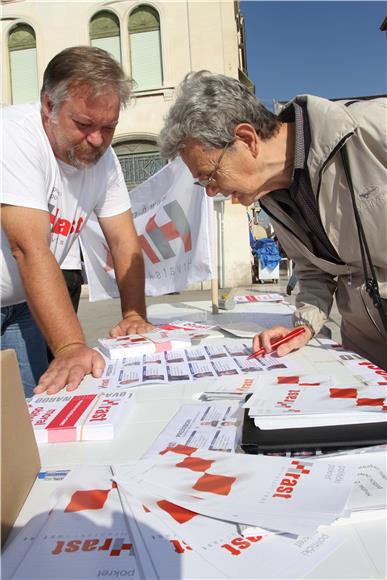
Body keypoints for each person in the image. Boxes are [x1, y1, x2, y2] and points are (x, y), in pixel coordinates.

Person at [158, 71, 387, 369]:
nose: (212, 191)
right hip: (369, 350)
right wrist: (303, 326)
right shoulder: (271, 194)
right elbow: (314, 271)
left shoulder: (369, 129)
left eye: (209, 176)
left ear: (246, 138)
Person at [1, 46, 152, 398]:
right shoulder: (13, 135)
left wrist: (133, 314)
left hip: (21, 306)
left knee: (29, 416)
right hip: (22, 288)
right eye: (84, 124)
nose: (97, 140)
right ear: (48, 106)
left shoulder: (105, 159)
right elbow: (28, 247)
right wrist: (70, 347)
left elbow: (124, 242)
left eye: (109, 127)